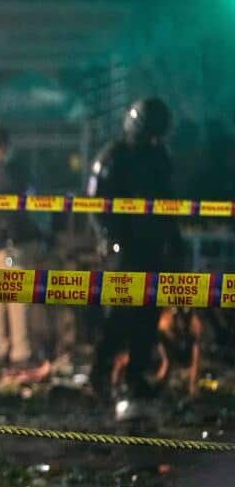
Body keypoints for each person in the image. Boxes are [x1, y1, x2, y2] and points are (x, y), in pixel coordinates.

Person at [87, 97, 183, 419]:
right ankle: (100, 375)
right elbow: (96, 205)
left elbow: (169, 205)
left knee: (148, 316)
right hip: (123, 249)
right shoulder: (113, 157)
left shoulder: (160, 158)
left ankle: (135, 376)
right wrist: (109, 241)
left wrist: (174, 243)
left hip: (152, 249)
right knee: (118, 316)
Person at [0, 124, 46, 379]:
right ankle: (20, 354)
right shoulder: (7, 173)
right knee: (17, 300)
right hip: (9, 245)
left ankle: (1, 347)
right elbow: (18, 208)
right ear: (1, 146)